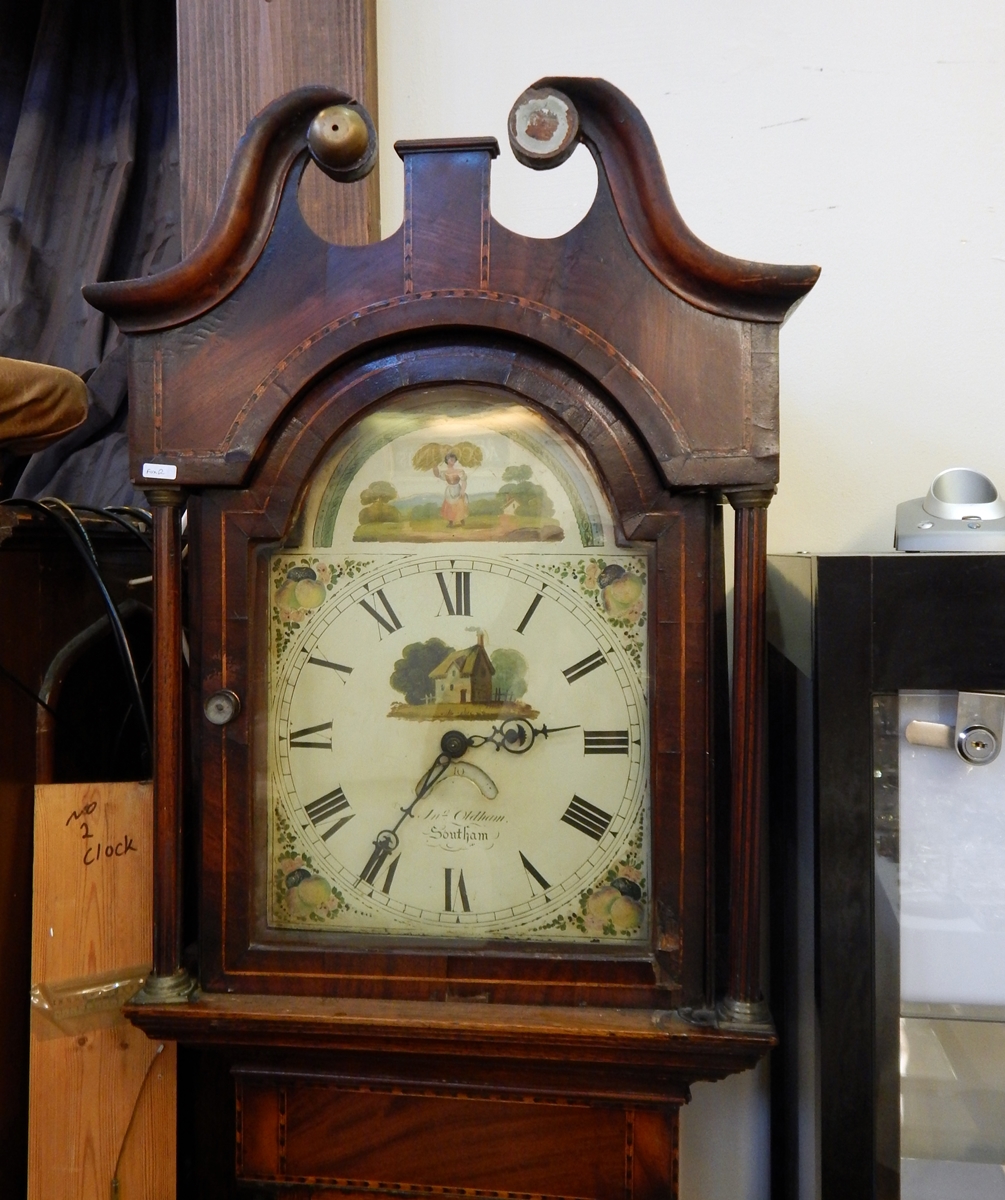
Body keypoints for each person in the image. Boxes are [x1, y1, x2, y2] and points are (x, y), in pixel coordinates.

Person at [433, 451, 468, 526]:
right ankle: (451, 522)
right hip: (449, 490)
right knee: (449, 506)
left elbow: (464, 481)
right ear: (447, 460)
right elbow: (437, 475)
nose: (452, 460)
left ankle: (462, 520)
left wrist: (462, 490)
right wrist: (434, 466)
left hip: (457, 489)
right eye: (450, 459)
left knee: (459, 505)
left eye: (453, 459)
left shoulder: (459, 471)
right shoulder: (444, 472)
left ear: (455, 460)